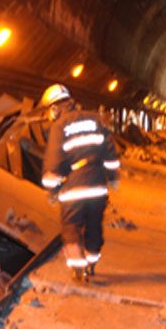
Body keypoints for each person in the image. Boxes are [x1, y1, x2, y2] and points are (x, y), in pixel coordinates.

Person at [39, 83, 121, 281]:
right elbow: (110, 153)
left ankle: (78, 269)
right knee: (94, 225)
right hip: (98, 186)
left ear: (54, 107)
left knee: (71, 227)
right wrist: (113, 178)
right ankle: (92, 262)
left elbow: (54, 163)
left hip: (74, 189)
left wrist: (52, 190)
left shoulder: (59, 127)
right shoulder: (95, 119)